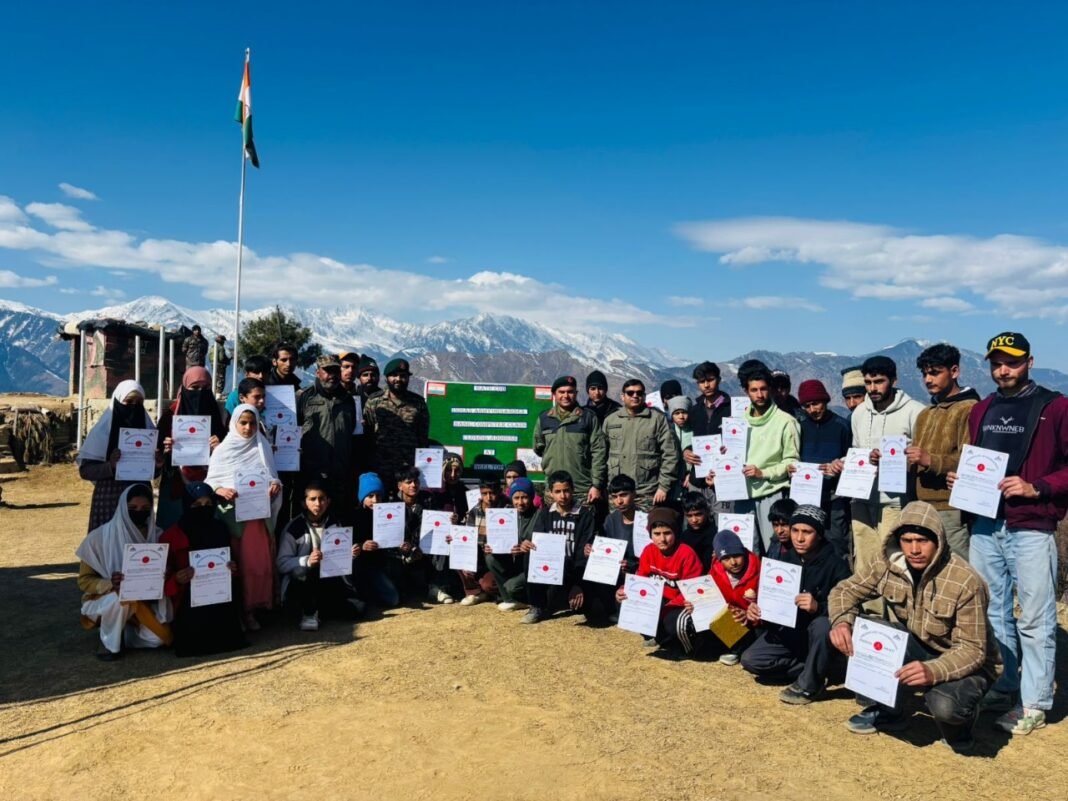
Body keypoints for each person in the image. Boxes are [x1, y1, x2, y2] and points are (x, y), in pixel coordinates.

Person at [955, 332, 1068, 736]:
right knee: (991, 611)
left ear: (1029, 362)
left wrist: (1037, 487)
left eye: (1013, 362)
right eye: (997, 363)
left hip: (1031, 525)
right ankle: (1005, 685)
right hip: (986, 524)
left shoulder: (1055, 407)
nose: (1003, 370)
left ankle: (1034, 702)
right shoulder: (982, 409)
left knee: (1035, 618)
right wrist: (962, 480)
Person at [828, 501, 997, 751]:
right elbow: (845, 591)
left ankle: (961, 727)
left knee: (945, 705)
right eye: (907, 540)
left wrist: (933, 671)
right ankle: (890, 711)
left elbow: (973, 649)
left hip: (967, 659)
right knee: (866, 634)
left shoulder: (966, 580)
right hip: (920, 642)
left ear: (938, 541)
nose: (914, 549)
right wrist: (842, 622)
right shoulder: (887, 563)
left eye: (922, 541)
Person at [741, 505, 850, 705]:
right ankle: (813, 668)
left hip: (818, 634)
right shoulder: (784, 559)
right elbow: (773, 602)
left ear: (819, 534)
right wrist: (758, 610)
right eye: (795, 530)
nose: (799, 538)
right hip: (791, 634)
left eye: (807, 532)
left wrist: (818, 607)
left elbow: (849, 607)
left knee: (822, 625)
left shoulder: (837, 564)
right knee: (751, 660)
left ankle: (810, 685)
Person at [843, 356, 923, 583]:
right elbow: (857, 449)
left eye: (879, 381)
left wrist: (895, 460)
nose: (873, 388)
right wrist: (844, 462)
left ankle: (896, 604)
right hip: (861, 497)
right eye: (868, 382)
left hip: (895, 499)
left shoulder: (915, 411)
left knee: (892, 556)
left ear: (894, 380)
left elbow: (921, 456)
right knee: (864, 558)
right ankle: (870, 604)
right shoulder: (859, 413)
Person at [205, 404, 283, 631]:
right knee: (239, 566)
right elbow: (211, 481)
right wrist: (220, 490)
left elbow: (273, 476)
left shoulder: (262, 446)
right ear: (234, 423)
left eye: (252, 423)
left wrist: (274, 485)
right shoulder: (223, 450)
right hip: (233, 520)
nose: (248, 428)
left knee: (258, 565)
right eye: (243, 423)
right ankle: (241, 611)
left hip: (258, 518)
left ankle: (256, 608)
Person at [76, 484, 173, 660]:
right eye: (133, 508)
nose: (139, 512)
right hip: (105, 601)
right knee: (122, 598)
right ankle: (109, 643)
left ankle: (123, 630)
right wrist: (110, 584)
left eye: (145, 508)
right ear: (122, 507)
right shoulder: (99, 537)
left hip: (144, 603)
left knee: (158, 639)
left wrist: (164, 575)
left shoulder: (158, 536)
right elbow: (84, 580)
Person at [905, 343, 980, 560]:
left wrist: (931, 460)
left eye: (935, 373)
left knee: (958, 564)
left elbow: (971, 462)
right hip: (921, 504)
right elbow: (917, 458)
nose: (928, 379)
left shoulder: (969, 409)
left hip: (951, 506)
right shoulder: (926, 413)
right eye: (924, 374)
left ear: (954, 371)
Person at [718, 365, 800, 553]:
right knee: (745, 552)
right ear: (746, 392)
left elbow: (793, 462)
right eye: (754, 390)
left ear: (770, 389)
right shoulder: (737, 423)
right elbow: (732, 458)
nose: (759, 395)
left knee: (776, 550)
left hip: (771, 494)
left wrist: (763, 473)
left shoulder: (786, 422)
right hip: (742, 495)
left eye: (763, 389)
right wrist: (724, 459)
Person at [160, 482, 246, 656]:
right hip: (187, 600)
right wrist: (177, 579)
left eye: (208, 504)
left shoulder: (220, 529)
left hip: (219, 597)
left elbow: (231, 563)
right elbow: (161, 579)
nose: (203, 508)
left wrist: (231, 568)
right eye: (197, 504)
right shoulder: (171, 535)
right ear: (186, 505)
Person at [615, 507, 703, 658]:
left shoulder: (686, 554)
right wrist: (624, 590)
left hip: (680, 603)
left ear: (675, 533)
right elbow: (640, 578)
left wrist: (666, 609)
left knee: (672, 621)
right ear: (650, 534)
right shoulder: (649, 551)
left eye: (667, 533)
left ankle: (688, 648)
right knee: (625, 600)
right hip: (659, 599)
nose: (662, 539)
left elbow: (691, 590)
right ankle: (661, 638)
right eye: (657, 534)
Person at [276, 480, 364, 632]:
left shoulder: (335, 523)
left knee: (357, 611)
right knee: (305, 574)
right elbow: (281, 564)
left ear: (328, 502)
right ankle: (309, 612)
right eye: (313, 499)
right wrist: (307, 561)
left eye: (322, 499)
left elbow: (340, 557)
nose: (318, 503)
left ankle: (323, 608)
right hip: (301, 582)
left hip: (328, 578)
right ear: (304, 503)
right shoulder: (294, 528)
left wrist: (350, 554)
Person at [77, 379, 161, 533]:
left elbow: (152, 473)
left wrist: (157, 465)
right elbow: (86, 471)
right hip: (109, 499)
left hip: (140, 501)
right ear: (117, 402)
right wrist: (110, 466)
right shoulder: (101, 433)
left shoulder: (148, 432)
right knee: (107, 542)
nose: (134, 406)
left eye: (139, 402)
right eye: (129, 402)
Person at [520, 470, 597, 624]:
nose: (563, 496)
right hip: (550, 568)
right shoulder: (545, 514)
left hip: (574, 570)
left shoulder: (584, 515)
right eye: (558, 491)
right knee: (530, 555)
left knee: (592, 609)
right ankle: (536, 606)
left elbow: (583, 552)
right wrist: (527, 545)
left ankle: (569, 598)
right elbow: (538, 543)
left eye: (566, 490)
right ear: (551, 493)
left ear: (573, 490)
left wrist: (577, 584)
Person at [157, 366, 227, 529]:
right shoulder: (170, 416)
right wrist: (166, 451)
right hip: (176, 486)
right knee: (175, 534)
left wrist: (219, 448)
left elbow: (228, 452)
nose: (200, 393)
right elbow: (156, 456)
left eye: (206, 388)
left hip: (209, 489)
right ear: (184, 387)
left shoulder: (219, 416)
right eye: (194, 387)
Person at [792, 378, 851, 559]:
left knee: (836, 541)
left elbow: (851, 457)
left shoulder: (841, 426)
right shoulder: (800, 426)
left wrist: (840, 465)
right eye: (807, 406)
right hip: (807, 495)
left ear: (825, 400)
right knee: (808, 543)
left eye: (816, 403)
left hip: (834, 496)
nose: (812, 410)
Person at [297, 354, 358, 523]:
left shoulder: (348, 399)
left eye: (335, 371)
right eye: (327, 371)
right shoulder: (305, 397)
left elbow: (352, 430)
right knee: (312, 520)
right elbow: (295, 429)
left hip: (340, 473)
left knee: (338, 521)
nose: (332, 375)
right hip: (312, 473)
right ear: (318, 373)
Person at [603, 379, 680, 510]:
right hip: (618, 493)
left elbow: (670, 454)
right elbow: (601, 455)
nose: (635, 396)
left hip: (646, 492)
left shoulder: (657, 419)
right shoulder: (611, 420)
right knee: (617, 523)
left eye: (639, 393)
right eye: (630, 393)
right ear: (622, 396)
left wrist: (664, 486)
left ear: (644, 396)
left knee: (646, 524)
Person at [533, 375, 607, 509]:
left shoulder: (588, 418)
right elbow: (539, 447)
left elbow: (599, 452)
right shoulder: (544, 418)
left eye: (570, 392)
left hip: (582, 489)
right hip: (554, 489)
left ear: (576, 393)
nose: (566, 396)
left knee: (583, 522)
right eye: (561, 392)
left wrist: (596, 485)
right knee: (554, 522)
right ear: (554, 394)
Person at [363, 358, 431, 486]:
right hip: (380, 466)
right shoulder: (374, 402)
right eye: (394, 375)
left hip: (407, 470)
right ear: (386, 378)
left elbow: (423, 438)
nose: (398, 379)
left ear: (408, 378)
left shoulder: (418, 403)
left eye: (403, 376)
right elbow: (368, 435)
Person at [703, 529, 761, 664]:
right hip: (731, 622)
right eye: (726, 558)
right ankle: (733, 649)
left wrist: (748, 614)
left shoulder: (759, 570)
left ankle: (742, 649)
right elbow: (709, 598)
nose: (733, 562)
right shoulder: (715, 571)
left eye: (737, 555)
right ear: (719, 559)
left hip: (754, 624)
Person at [485, 477, 536, 612]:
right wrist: (492, 546)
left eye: (524, 497)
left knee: (512, 586)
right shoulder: (507, 515)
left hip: (531, 567)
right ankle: (510, 599)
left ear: (531, 497)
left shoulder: (540, 515)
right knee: (490, 559)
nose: (520, 502)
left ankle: (529, 599)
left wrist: (528, 547)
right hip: (513, 562)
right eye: (516, 498)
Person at [352, 472, 401, 608]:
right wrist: (361, 545)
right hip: (361, 565)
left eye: (378, 496)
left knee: (393, 599)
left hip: (383, 563)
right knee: (391, 598)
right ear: (362, 498)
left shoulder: (388, 514)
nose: (375, 500)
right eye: (370, 496)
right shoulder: (353, 516)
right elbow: (346, 545)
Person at [602, 473, 645, 574]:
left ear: (634, 494)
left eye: (623, 495)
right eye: (614, 497)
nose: (619, 501)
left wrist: (632, 567)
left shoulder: (646, 520)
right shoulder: (611, 520)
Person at [680, 491, 717, 571]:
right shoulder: (684, 537)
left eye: (698, 514)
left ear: (707, 511)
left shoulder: (715, 535)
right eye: (689, 516)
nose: (694, 520)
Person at [667, 395, 694, 499]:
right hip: (672, 478)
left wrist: (691, 474)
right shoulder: (667, 431)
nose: (681, 416)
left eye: (684, 412)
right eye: (677, 413)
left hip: (689, 479)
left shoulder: (695, 431)